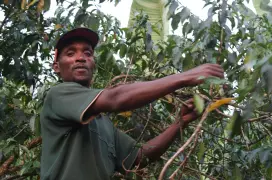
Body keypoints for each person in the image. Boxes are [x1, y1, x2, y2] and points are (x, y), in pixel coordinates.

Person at [40, 28, 224, 180]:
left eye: (87, 53)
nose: (81, 58)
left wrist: (180, 123)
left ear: (93, 62)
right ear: (57, 66)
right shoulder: (58, 95)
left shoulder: (103, 123)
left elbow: (138, 157)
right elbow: (115, 98)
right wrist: (184, 77)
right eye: (71, 53)